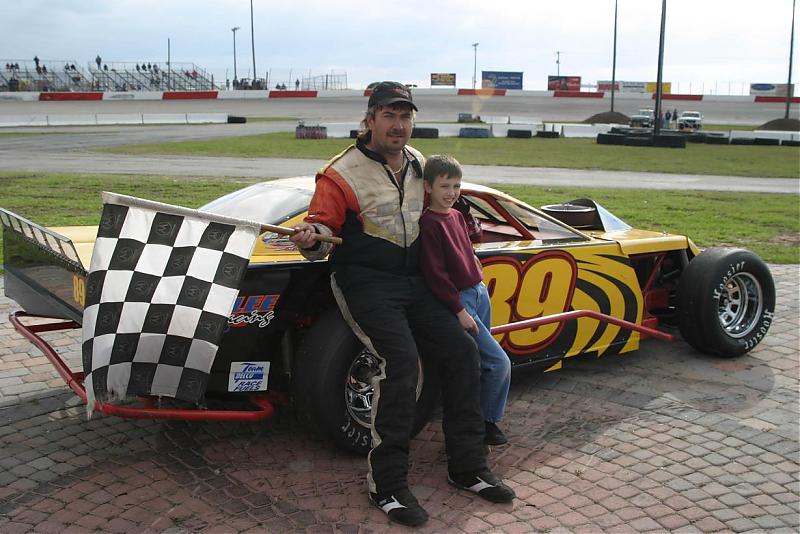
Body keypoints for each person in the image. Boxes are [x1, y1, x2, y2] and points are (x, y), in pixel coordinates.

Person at [290, 81, 514, 527]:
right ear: (370, 119)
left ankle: (468, 467)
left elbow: (442, 210)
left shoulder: (417, 162)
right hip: (366, 283)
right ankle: (387, 486)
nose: (398, 125)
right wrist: (311, 239)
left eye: (405, 116)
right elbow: (319, 232)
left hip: (416, 281)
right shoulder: (338, 173)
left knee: (463, 352)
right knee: (401, 364)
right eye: (389, 116)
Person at [419, 155, 512, 447]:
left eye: (456, 186)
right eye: (444, 186)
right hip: (461, 300)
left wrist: (473, 261)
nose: (451, 193)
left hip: (479, 292)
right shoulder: (428, 223)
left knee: (484, 361)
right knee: (499, 363)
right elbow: (435, 275)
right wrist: (458, 310)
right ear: (428, 187)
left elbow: (466, 246)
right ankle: (486, 422)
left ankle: (479, 421)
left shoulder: (457, 215)